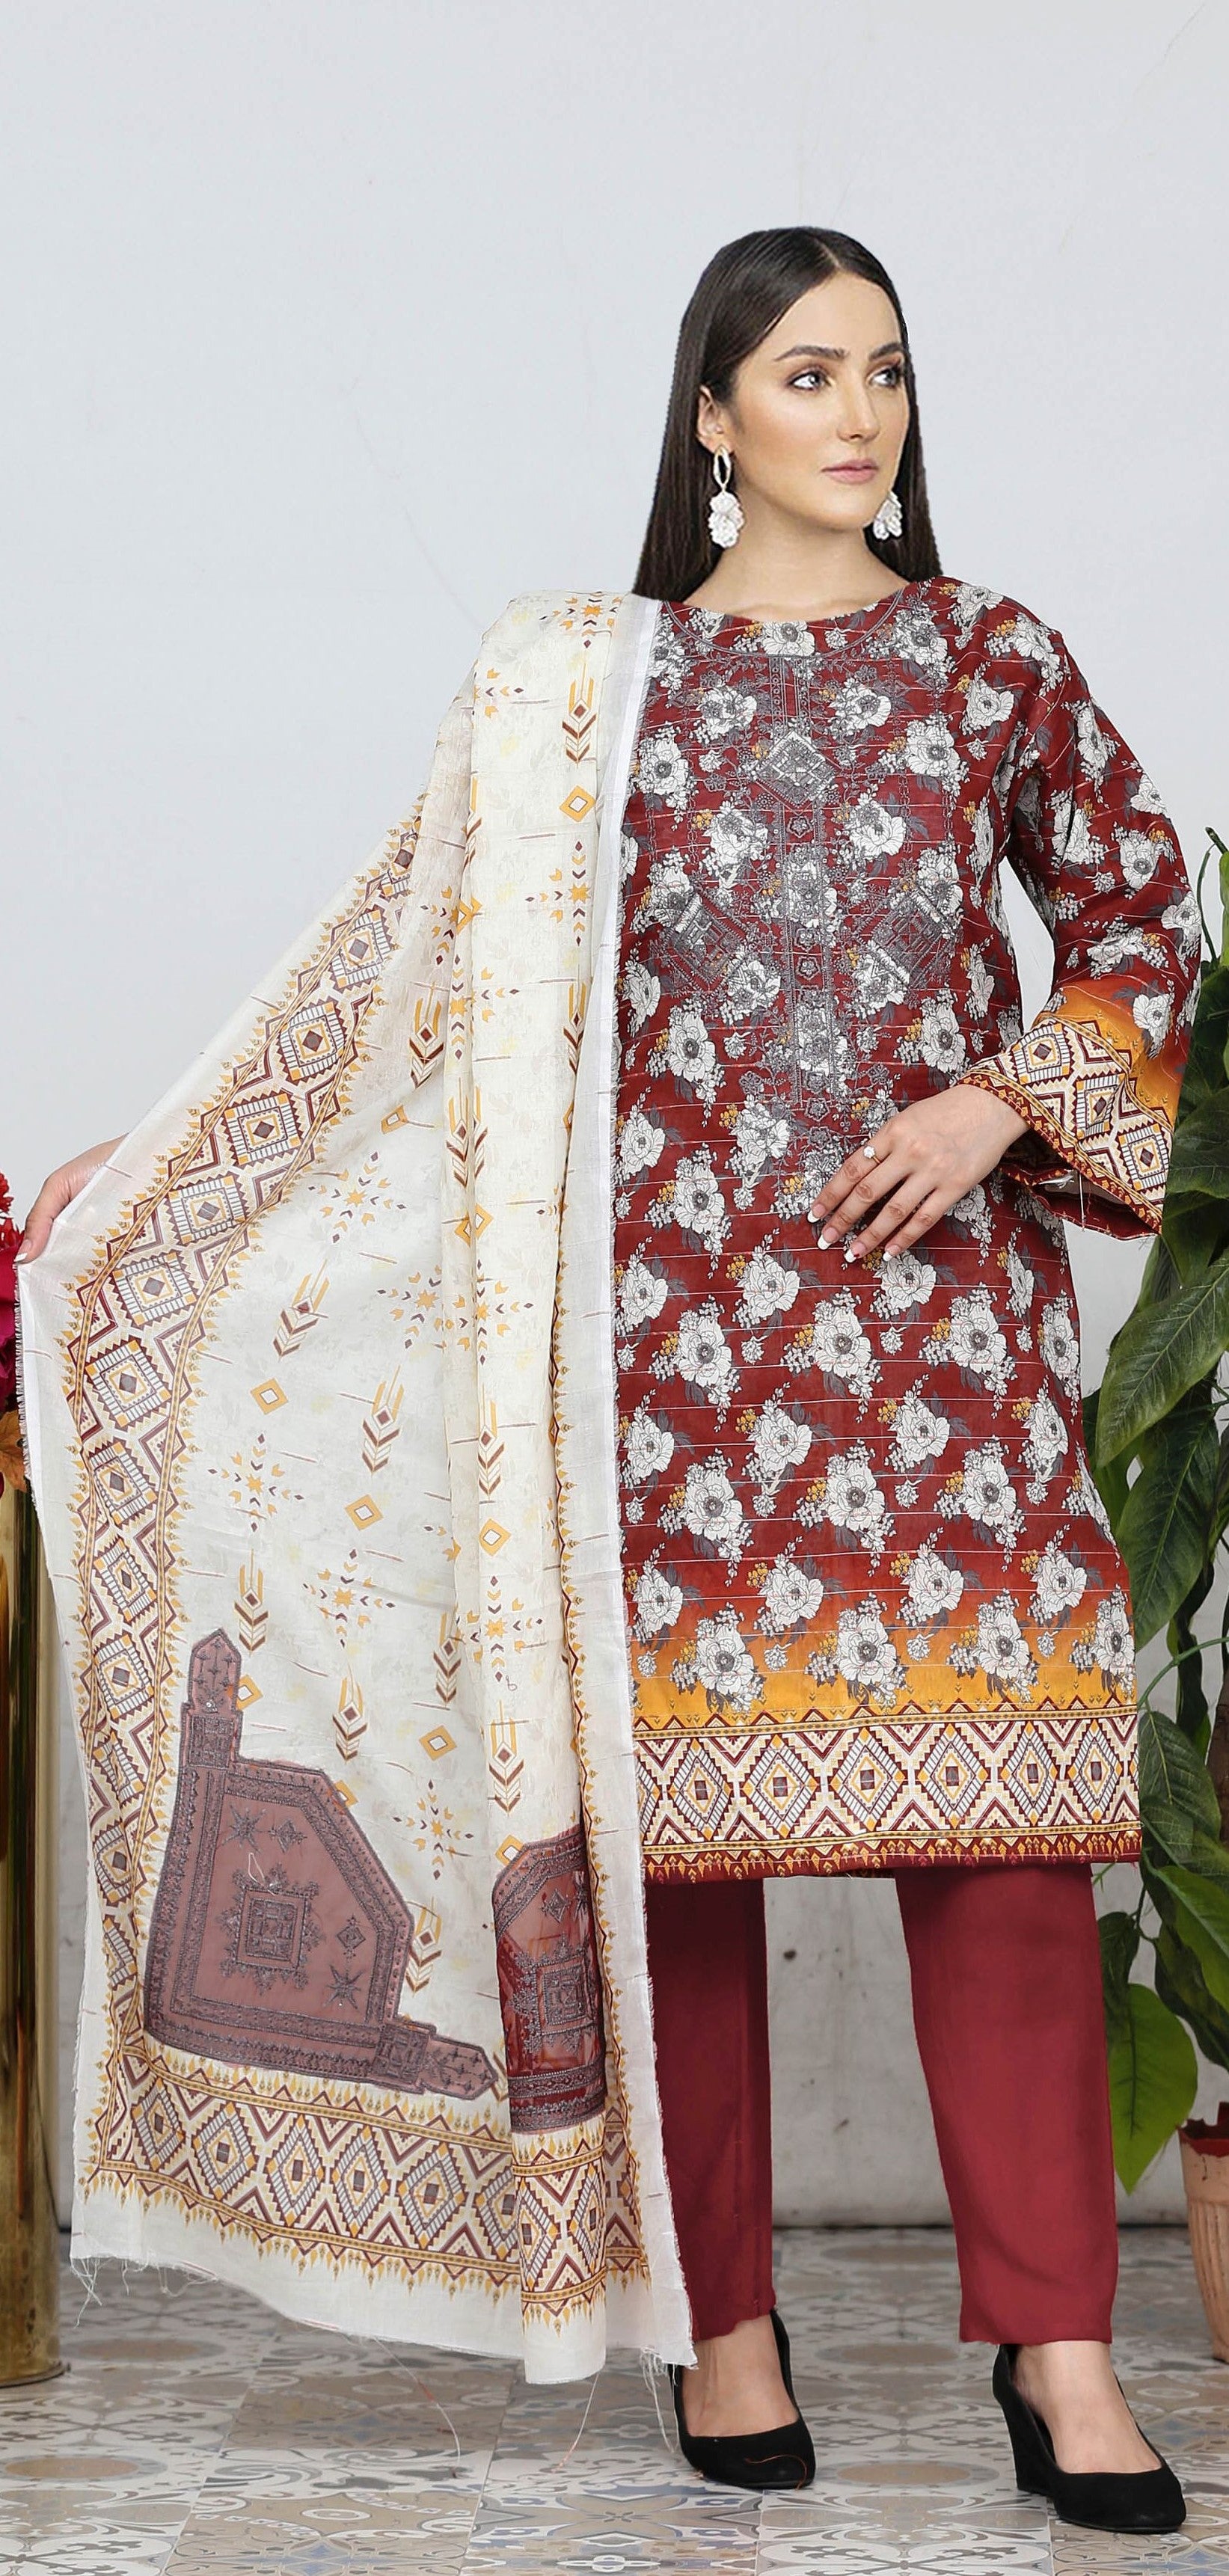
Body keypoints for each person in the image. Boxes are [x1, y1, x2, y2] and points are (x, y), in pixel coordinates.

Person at [20, 230, 1197, 2535]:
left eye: (884, 373)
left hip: (933, 1343)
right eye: (802, 373)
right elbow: (406, 998)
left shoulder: (991, 658)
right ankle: (724, 2320)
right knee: (674, 1876)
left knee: (1005, 1855)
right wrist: (168, 1176)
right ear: (708, 415)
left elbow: (1145, 911)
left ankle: (1058, 2350)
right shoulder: (583, 688)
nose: (855, 416)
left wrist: (998, 1099)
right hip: (659, 1352)